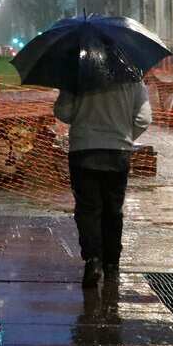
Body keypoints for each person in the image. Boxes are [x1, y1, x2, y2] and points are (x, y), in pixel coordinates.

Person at [54, 80, 152, 288]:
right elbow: (144, 119)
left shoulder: (77, 74)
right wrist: (124, 137)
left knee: (88, 208)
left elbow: (63, 112)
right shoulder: (134, 79)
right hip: (118, 153)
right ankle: (112, 264)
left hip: (83, 150)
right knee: (113, 209)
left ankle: (93, 260)